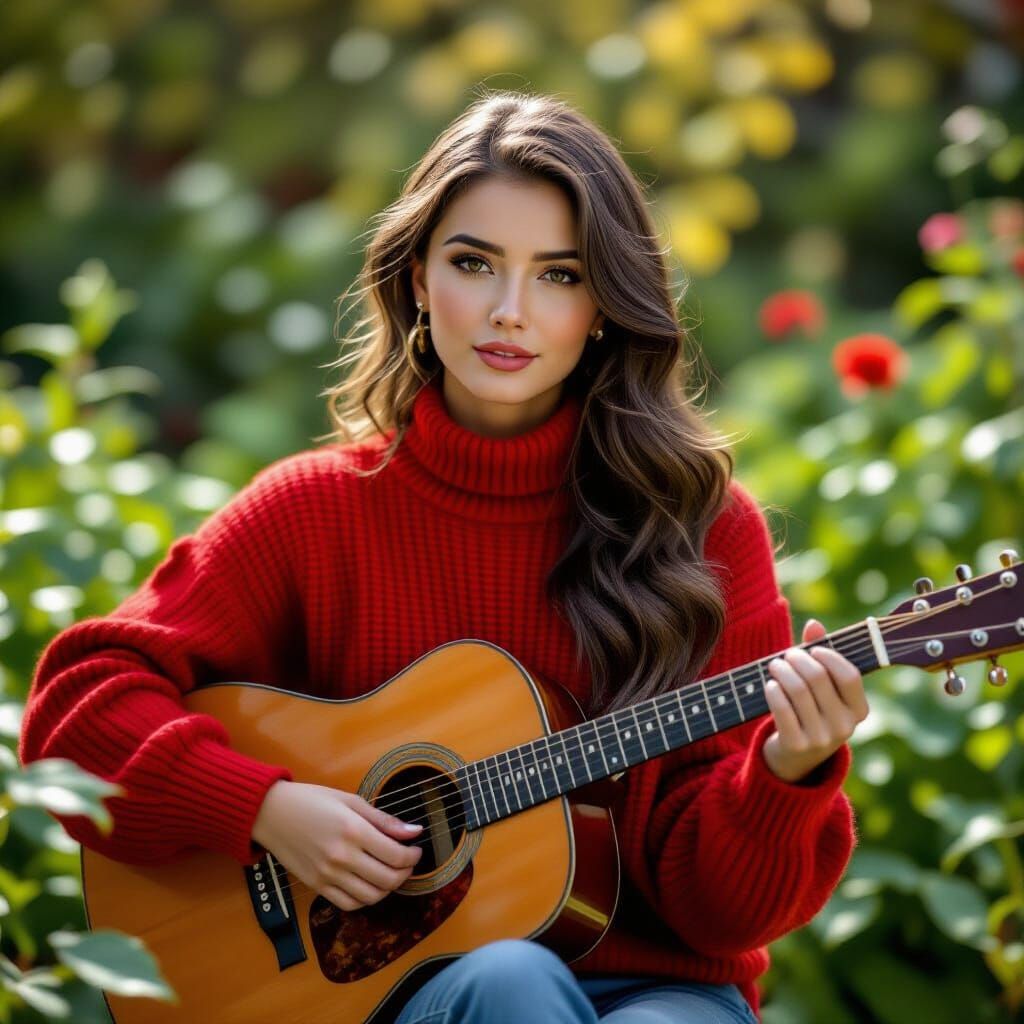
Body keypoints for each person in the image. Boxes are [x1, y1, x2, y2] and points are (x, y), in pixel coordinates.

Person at [19, 90, 868, 1023]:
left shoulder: (702, 531)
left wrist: (788, 773)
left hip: (659, 990)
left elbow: (727, 916)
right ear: (418, 277)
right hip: (392, 998)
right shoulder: (315, 512)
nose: (510, 312)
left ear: (603, 306)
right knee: (511, 981)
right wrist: (264, 810)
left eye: (559, 275)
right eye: (475, 264)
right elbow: (75, 713)